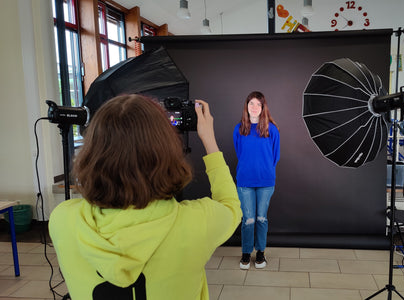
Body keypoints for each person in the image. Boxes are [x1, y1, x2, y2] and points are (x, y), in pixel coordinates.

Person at [49, 94, 242, 299]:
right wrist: (208, 139)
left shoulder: (62, 220)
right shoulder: (197, 222)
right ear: (167, 151)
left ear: (91, 153)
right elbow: (230, 206)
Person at [233, 91, 280, 270]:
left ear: (263, 108)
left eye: (258, 104)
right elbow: (240, 153)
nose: (254, 107)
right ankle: (246, 253)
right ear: (246, 106)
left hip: (266, 182)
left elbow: (275, 156)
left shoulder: (271, 129)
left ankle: (260, 252)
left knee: (261, 218)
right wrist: (250, 168)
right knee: (248, 219)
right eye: (251, 103)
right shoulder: (239, 129)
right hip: (245, 181)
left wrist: (263, 169)